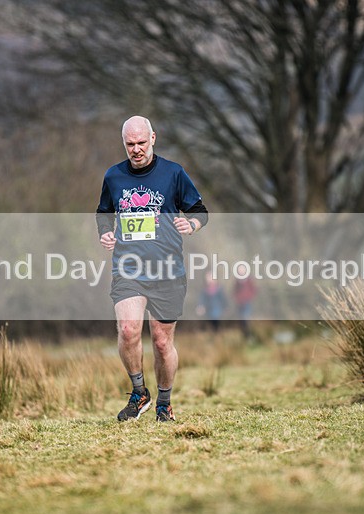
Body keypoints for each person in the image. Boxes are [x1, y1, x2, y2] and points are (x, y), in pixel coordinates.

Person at [96, 116, 208, 423]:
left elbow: (200, 211)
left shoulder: (173, 173)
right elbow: (104, 213)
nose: (136, 149)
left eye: (141, 142)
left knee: (161, 341)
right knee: (128, 330)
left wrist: (191, 224)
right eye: (130, 144)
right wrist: (105, 233)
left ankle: (164, 403)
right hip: (128, 268)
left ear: (153, 138)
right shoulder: (114, 176)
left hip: (168, 270)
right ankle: (139, 393)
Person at [232, 264, 257, 340]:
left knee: (246, 318)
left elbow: (254, 289)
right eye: (239, 269)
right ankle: (245, 336)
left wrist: (249, 297)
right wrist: (236, 299)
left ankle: (249, 336)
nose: (241, 271)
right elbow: (234, 291)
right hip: (240, 304)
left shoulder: (249, 280)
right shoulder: (237, 281)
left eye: (242, 269)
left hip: (247, 302)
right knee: (242, 320)